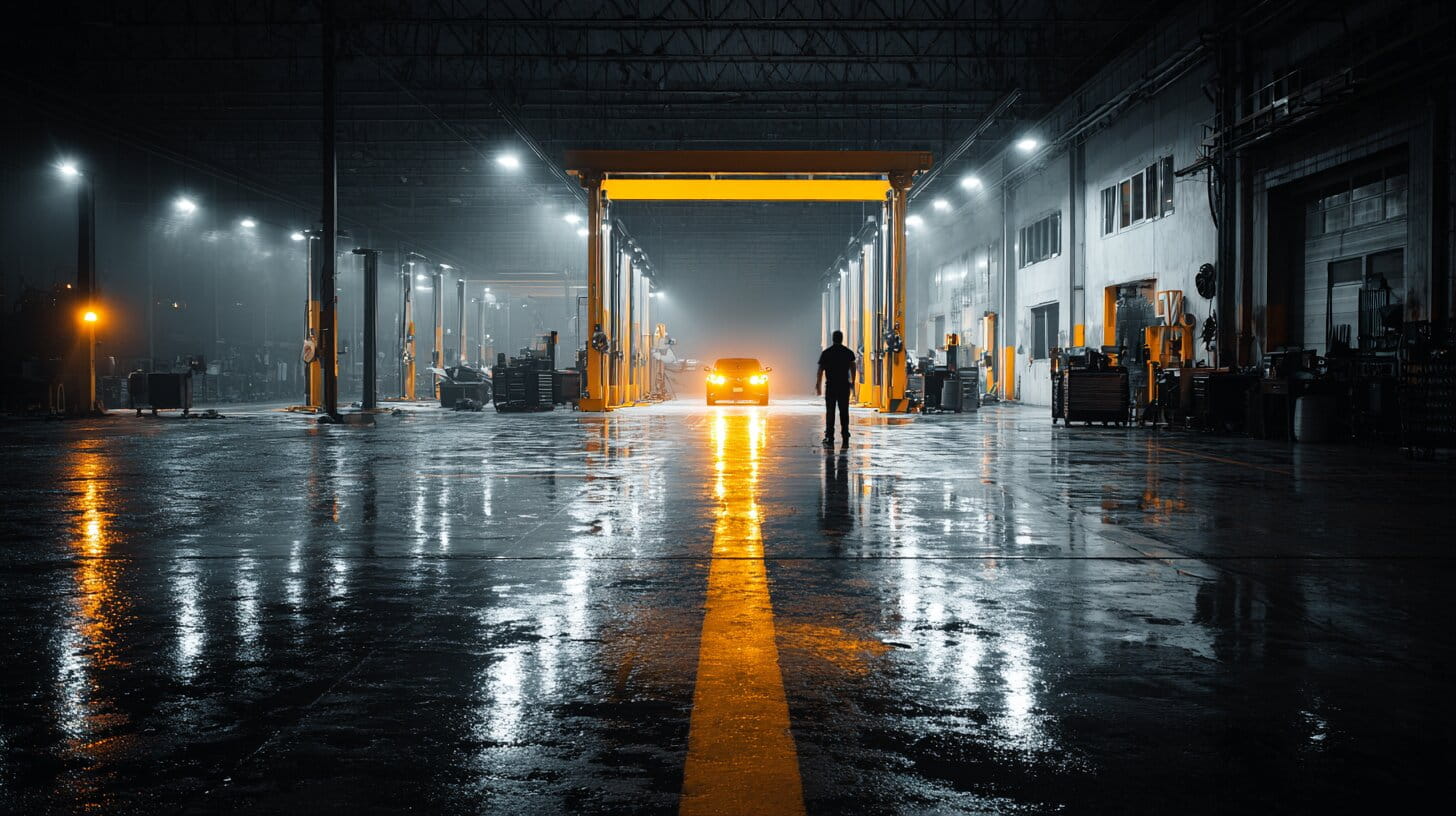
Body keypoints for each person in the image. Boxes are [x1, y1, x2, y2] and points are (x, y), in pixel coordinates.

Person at [814, 330, 857, 444]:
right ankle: (845, 433)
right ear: (842, 339)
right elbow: (853, 367)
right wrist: (853, 381)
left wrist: (818, 385)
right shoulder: (848, 352)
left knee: (830, 411)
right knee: (844, 411)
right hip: (843, 385)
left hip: (831, 386)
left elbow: (820, 370)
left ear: (833, 339)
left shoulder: (827, 353)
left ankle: (829, 436)